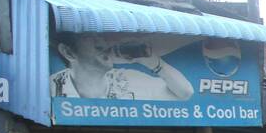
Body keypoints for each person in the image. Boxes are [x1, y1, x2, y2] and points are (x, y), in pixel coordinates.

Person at [50, 33, 192, 101]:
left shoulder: (126, 79)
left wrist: (153, 62)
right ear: (68, 52)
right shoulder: (51, 87)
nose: (103, 42)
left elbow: (185, 93)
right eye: (90, 36)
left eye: (102, 36)